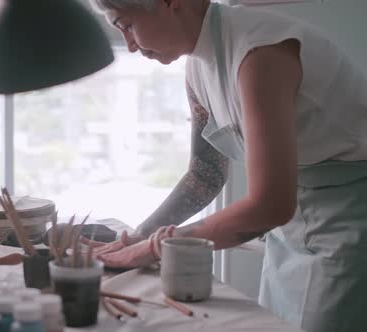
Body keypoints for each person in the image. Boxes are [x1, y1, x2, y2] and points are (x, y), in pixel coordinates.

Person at [84, 0, 367, 331]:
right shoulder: (198, 67)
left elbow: (270, 206)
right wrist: (136, 238)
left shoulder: (260, 53)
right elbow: (205, 175)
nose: (130, 46)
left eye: (126, 24)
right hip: (291, 232)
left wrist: (153, 248)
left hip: (348, 225)